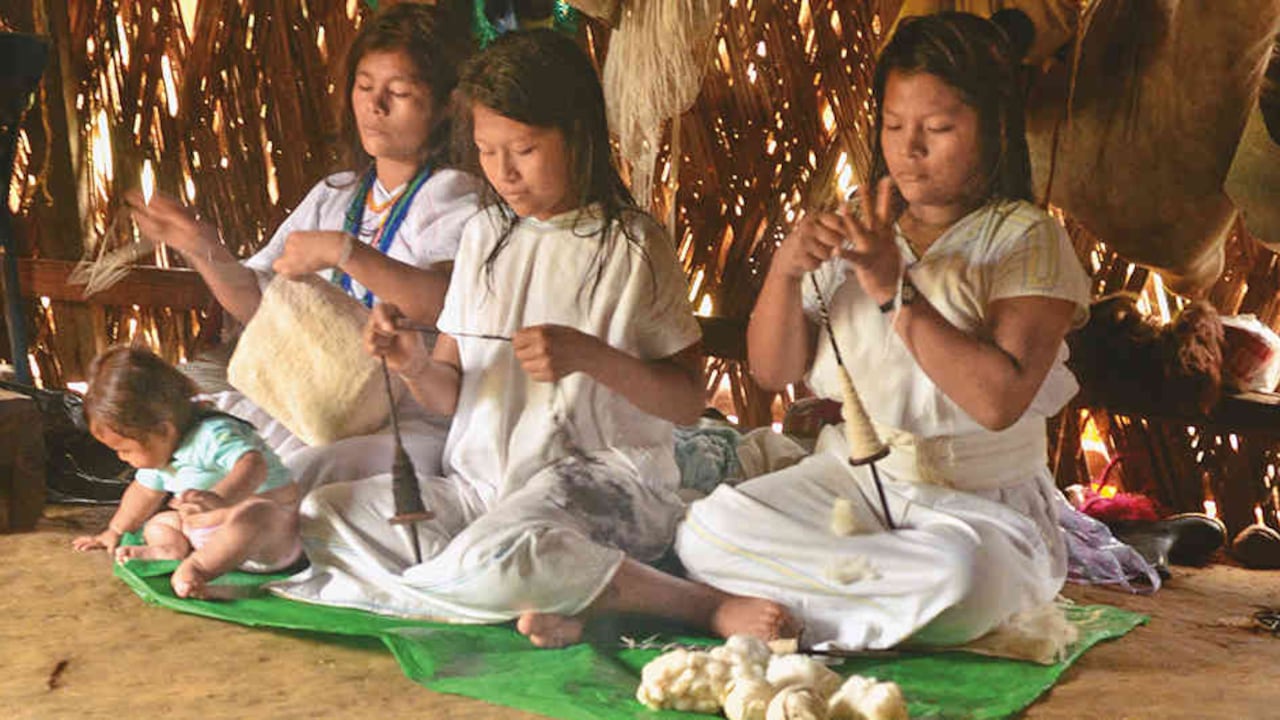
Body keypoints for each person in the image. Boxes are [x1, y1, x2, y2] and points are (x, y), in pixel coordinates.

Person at [270, 29, 792, 647]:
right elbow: (449, 395)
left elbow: (683, 401)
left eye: (523, 149)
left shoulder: (630, 244)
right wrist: (411, 362)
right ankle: (569, 601)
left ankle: (698, 606)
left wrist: (590, 356)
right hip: (482, 489)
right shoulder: (485, 237)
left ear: (577, 135)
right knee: (319, 516)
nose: (504, 174)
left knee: (512, 555)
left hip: (597, 484)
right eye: (489, 153)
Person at [675, 12, 1093, 650]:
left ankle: (802, 608)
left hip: (978, 508)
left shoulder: (1027, 237)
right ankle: (874, 612)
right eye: (894, 126)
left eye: (939, 128)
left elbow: (997, 400)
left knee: (965, 578)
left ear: (995, 128)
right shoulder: (861, 224)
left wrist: (892, 288)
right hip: (857, 481)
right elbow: (771, 371)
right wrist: (786, 272)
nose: (910, 148)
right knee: (707, 529)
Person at [126, 2, 481, 489]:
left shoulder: (452, 194)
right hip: (314, 401)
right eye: (364, 86)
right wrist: (201, 246)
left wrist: (345, 253)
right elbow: (260, 302)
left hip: (405, 416)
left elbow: (449, 302)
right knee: (202, 441)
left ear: (445, 107)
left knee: (292, 480)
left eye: (399, 92)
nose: (375, 106)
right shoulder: (335, 193)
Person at [70, 346, 301, 599]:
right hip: (207, 534)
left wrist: (221, 499)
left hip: (266, 537)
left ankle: (198, 569)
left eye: (125, 449)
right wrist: (115, 531)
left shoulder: (212, 434)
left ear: (164, 430)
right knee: (160, 522)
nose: (121, 457)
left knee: (255, 514)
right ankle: (168, 549)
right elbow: (143, 493)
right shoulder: (161, 452)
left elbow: (253, 464)